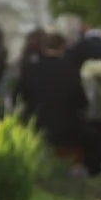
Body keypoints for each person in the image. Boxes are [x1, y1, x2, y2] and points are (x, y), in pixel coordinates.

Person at [16, 29, 85, 157]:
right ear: (62, 48)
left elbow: (19, 97)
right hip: (66, 131)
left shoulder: (30, 70)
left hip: (36, 128)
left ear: (42, 48)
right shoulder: (70, 71)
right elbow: (82, 102)